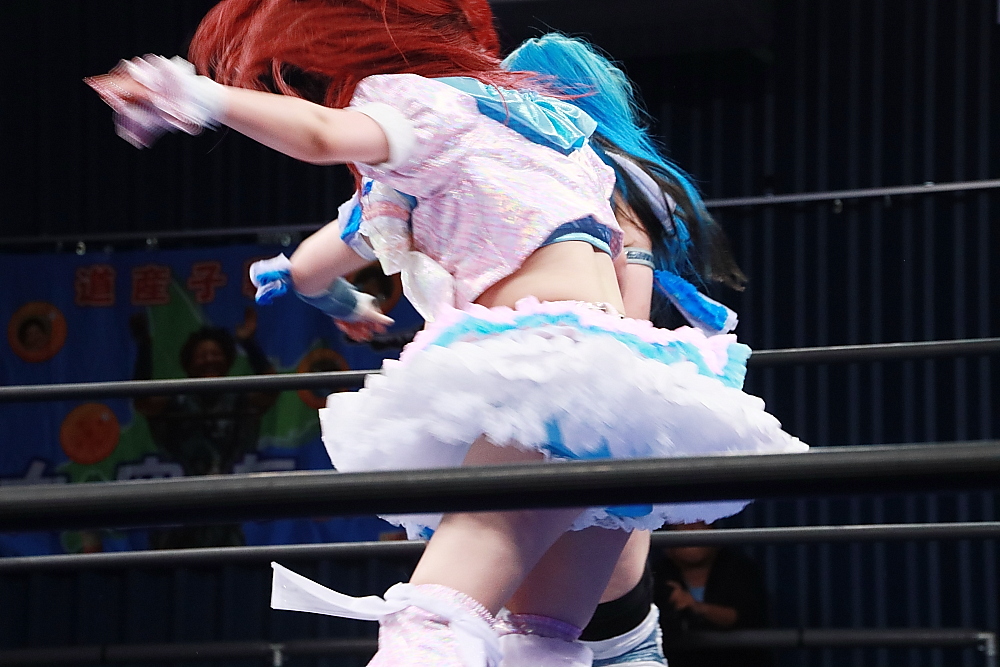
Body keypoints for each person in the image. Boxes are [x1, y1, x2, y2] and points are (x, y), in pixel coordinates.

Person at [88, 2, 805, 665]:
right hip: (624, 390)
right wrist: (346, 299)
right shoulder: (559, 133)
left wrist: (193, 95)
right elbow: (320, 262)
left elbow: (320, 141)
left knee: (435, 619)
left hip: (543, 375)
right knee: (541, 642)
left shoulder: (422, 106)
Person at [502, 34, 751, 667]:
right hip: (565, 402)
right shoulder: (583, 182)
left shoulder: (595, 184)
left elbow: (625, 322)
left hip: (568, 397)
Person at [130, 309, 277, 548]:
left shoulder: (238, 399)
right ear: (189, 364)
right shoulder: (177, 400)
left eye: (215, 354)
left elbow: (270, 392)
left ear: (227, 361)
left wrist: (249, 344)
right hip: (184, 502)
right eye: (202, 355)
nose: (209, 360)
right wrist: (144, 345)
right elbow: (143, 402)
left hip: (227, 502)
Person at [652, 522, 772, 667]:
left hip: (736, 659)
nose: (690, 531)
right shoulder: (657, 575)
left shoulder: (739, 569)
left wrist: (695, 606)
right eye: (682, 526)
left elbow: (746, 618)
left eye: (699, 525)